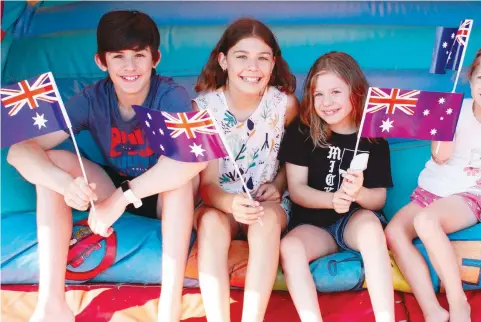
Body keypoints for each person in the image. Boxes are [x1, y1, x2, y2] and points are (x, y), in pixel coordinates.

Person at [7, 10, 206, 322]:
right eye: (118, 56)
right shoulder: (93, 98)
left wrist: (120, 199)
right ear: (102, 61)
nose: (129, 67)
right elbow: (20, 151)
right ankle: (52, 304)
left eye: (139, 55)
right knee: (55, 161)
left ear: (155, 58)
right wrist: (64, 184)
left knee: (178, 180)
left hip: (160, 193)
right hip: (116, 181)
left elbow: (194, 159)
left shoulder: (168, 95)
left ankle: (169, 308)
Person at [385, 43, 481, 322]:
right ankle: (431, 308)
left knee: (426, 222)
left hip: (466, 197)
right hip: (427, 193)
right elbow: (439, 158)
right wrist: (445, 130)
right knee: (393, 232)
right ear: (471, 79)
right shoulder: (452, 109)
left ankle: (458, 301)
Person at [192, 18, 299, 322]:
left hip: (267, 203)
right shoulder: (204, 110)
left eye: (262, 58)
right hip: (220, 203)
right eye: (242, 56)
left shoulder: (285, 105)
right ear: (223, 60)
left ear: (273, 63)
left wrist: (278, 184)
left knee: (264, 222)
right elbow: (208, 184)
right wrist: (230, 204)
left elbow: (298, 156)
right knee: (211, 223)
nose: (253, 66)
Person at [278, 51, 395, 322]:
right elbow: (297, 189)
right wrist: (332, 200)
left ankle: (385, 317)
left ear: (354, 92)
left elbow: (378, 199)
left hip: (353, 220)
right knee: (290, 248)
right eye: (319, 94)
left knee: (371, 229)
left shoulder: (372, 137)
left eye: (335, 92)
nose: (327, 102)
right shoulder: (303, 131)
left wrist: (359, 193)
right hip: (313, 225)